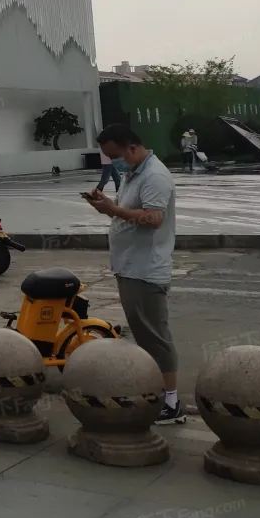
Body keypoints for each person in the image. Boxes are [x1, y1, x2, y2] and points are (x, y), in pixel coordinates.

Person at [84, 123, 184, 425]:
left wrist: (113, 210)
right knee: (145, 335)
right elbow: (128, 210)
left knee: (155, 337)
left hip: (145, 270)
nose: (115, 163)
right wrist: (107, 206)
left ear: (132, 147)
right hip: (129, 266)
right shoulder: (133, 173)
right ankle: (157, 392)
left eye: (116, 156)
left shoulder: (154, 176)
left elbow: (153, 218)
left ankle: (171, 403)